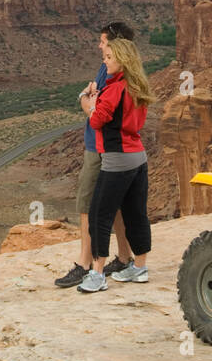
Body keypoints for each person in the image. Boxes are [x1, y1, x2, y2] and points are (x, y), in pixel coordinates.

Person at [54, 22, 137, 289]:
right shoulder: (114, 67)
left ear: (116, 45)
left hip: (100, 147)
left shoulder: (114, 72)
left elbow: (94, 108)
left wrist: (87, 100)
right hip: (111, 147)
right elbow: (91, 97)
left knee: (87, 204)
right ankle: (125, 258)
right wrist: (88, 96)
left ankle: (84, 265)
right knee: (117, 206)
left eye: (103, 42)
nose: (100, 46)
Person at [77, 34, 155, 292]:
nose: (105, 62)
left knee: (100, 214)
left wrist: (87, 103)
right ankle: (140, 267)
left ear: (123, 60)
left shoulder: (114, 89)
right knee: (136, 213)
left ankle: (97, 275)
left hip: (116, 160)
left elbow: (97, 120)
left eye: (109, 57)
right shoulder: (137, 86)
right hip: (138, 158)